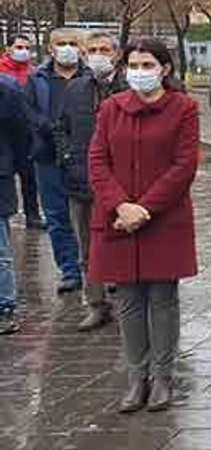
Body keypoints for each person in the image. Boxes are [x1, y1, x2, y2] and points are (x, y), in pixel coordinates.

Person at [88, 38, 200, 413]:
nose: (139, 71)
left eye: (147, 64)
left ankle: (163, 377)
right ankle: (137, 378)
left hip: (163, 219)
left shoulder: (184, 108)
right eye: (133, 64)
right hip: (116, 219)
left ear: (164, 68)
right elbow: (98, 161)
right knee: (128, 301)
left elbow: (184, 166)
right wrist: (120, 203)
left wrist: (144, 208)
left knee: (162, 300)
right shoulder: (111, 108)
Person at [59, 31, 126, 332]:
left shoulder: (130, 86)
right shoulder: (75, 89)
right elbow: (62, 127)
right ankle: (97, 303)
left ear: (117, 53)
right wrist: (68, 157)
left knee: (124, 243)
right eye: (93, 49)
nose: (98, 54)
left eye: (104, 49)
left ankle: (129, 302)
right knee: (88, 247)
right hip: (81, 181)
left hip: (122, 184)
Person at [25, 28, 88, 294]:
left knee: (91, 216)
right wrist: (49, 129)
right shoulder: (37, 78)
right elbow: (28, 111)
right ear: (50, 48)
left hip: (83, 156)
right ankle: (70, 271)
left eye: (73, 43)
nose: (67, 48)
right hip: (48, 156)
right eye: (61, 43)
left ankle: (96, 270)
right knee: (57, 216)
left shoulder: (90, 76)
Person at [1, 35, 40, 228]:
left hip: (26, 133)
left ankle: (32, 214)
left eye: (26, 47)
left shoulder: (34, 73)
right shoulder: (1, 71)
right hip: (5, 132)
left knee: (29, 175)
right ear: (8, 49)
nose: (23, 51)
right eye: (18, 47)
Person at [0, 75, 28, 335]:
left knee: (0, 251)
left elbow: (20, 133)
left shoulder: (7, 89)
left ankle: (4, 307)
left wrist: (20, 168)